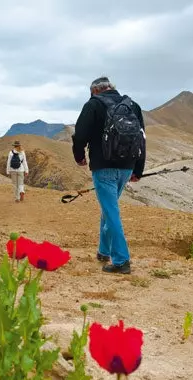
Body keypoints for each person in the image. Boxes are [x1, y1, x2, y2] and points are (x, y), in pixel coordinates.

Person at [72, 76, 145, 274]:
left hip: (103, 167)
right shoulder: (133, 105)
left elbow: (79, 135)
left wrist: (79, 157)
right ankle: (104, 251)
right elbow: (141, 138)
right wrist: (138, 169)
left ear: (95, 91)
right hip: (127, 166)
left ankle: (121, 260)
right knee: (108, 208)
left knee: (111, 212)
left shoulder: (93, 105)